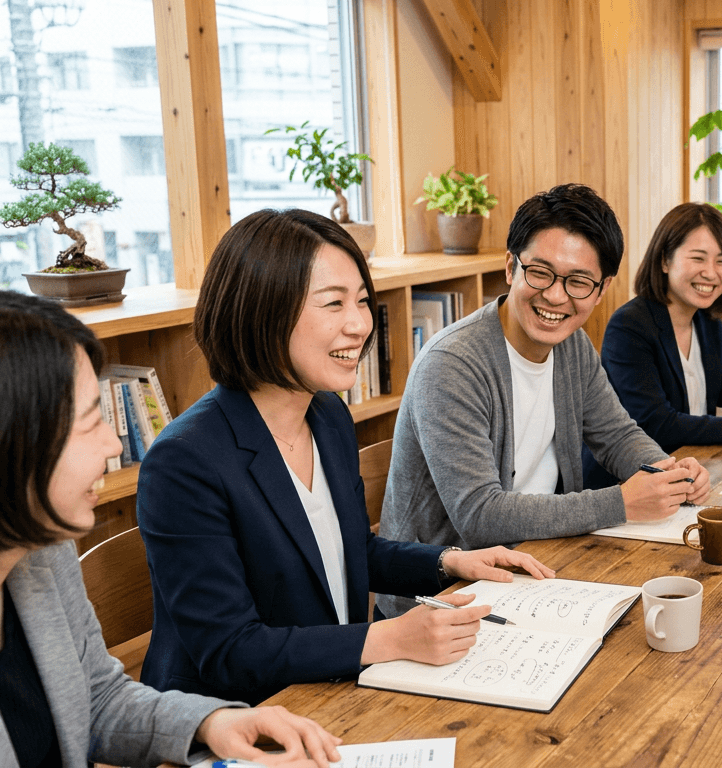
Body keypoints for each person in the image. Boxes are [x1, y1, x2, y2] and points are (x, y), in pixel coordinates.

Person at [137, 209, 556, 706]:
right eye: (333, 304)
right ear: (260, 312)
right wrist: (391, 639)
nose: (360, 325)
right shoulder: (184, 461)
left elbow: (351, 549)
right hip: (235, 720)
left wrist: (452, 561)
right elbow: (230, 650)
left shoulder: (327, 416)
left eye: (361, 301)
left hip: (331, 688)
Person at [0, 290, 342, 767]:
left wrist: (212, 722)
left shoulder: (40, 548)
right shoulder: (191, 455)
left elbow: (97, 699)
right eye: (88, 422)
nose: (114, 444)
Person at [379, 184, 710, 618]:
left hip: (538, 567)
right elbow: (479, 515)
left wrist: (667, 471)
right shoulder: (453, 365)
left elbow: (616, 435)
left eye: (578, 282)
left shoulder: (572, 347)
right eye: (540, 272)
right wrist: (622, 502)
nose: (555, 296)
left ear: (602, 288)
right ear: (510, 267)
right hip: (444, 597)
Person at [586, 203, 722, 488]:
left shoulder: (705, 319)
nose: (711, 273)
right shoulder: (629, 326)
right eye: (698, 258)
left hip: (693, 469)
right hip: (628, 484)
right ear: (665, 261)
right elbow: (656, 424)